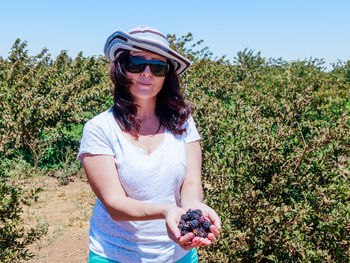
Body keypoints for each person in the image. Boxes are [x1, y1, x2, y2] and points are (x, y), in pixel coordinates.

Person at [77, 25, 221, 263]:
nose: (147, 73)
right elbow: (114, 204)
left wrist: (193, 208)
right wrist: (166, 211)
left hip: (178, 254)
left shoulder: (183, 123)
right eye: (136, 64)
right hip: (115, 254)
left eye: (157, 67)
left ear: (167, 75)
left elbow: (192, 182)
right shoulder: (100, 129)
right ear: (122, 70)